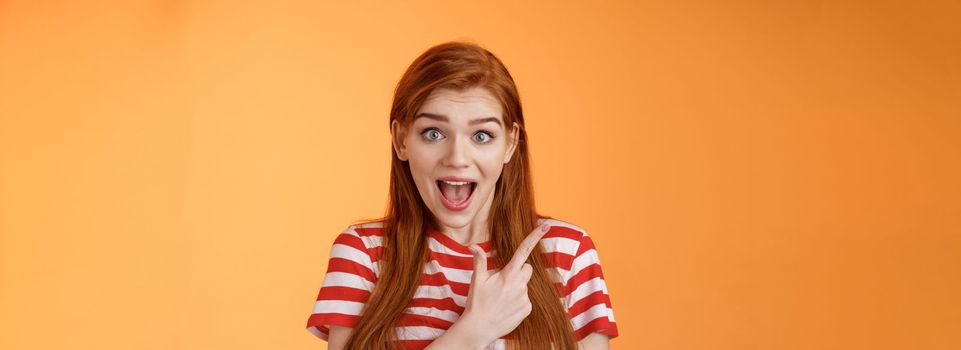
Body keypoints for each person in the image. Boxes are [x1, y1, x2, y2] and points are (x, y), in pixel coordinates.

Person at [305, 41, 618, 350]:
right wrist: (473, 331)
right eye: (434, 133)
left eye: (482, 136)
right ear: (401, 140)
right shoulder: (365, 255)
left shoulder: (568, 254)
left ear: (510, 144)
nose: (457, 157)